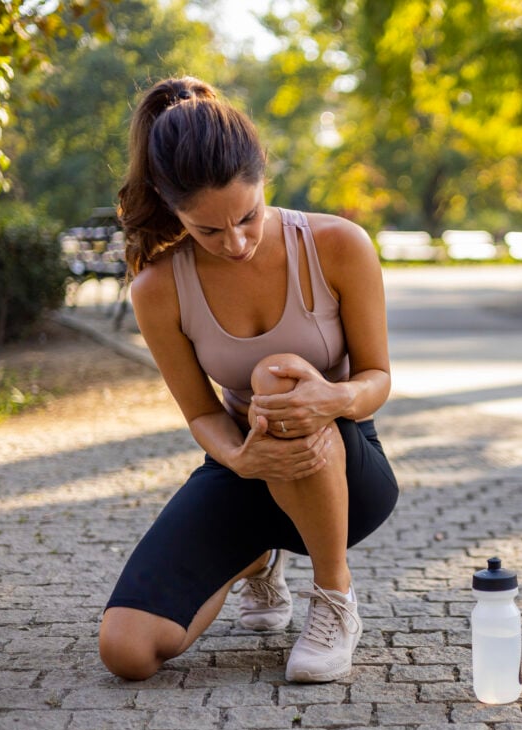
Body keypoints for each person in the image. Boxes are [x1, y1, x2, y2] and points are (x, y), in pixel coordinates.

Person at [98, 76, 398, 684]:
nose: (234, 242)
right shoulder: (158, 288)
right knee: (126, 651)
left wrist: (332, 398)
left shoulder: (338, 245)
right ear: (170, 202)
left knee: (278, 379)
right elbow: (202, 415)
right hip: (245, 464)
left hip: (346, 469)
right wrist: (240, 459)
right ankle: (257, 558)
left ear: (263, 178)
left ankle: (334, 597)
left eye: (248, 216)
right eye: (209, 230)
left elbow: (378, 377)